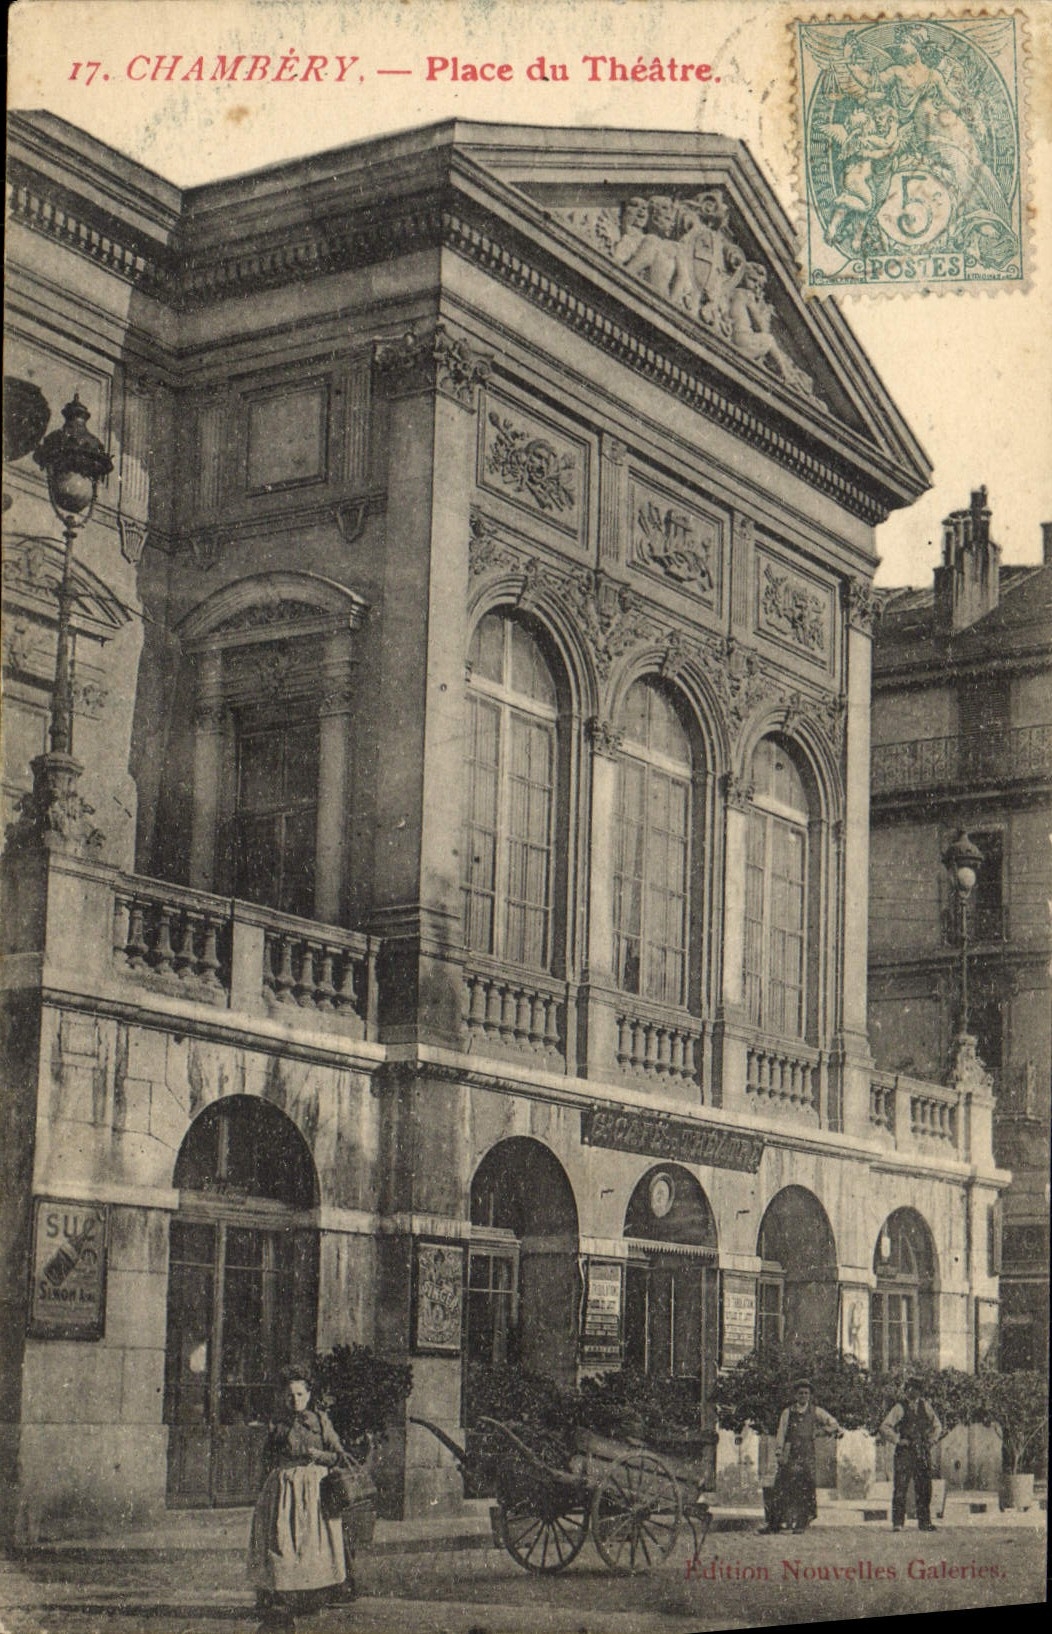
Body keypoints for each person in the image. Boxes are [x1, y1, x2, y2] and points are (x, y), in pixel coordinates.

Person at [247, 1368, 353, 1632]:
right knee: (282, 1541)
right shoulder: (278, 1422)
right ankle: (280, 1596)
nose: (295, 1400)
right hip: (282, 1488)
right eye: (290, 1395)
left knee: (311, 1544)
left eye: (300, 1394)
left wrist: (319, 1455)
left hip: (313, 1488)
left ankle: (310, 1598)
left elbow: (339, 1455)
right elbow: (266, 1458)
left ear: (309, 1394)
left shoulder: (320, 1420)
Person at [762, 1378, 844, 1534]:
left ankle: (801, 1523)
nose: (803, 1396)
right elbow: (781, 1433)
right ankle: (775, 1524)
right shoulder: (787, 1412)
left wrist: (821, 1431)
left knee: (804, 1488)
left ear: (810, 1395)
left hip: (807, 1455)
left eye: (806, 1393)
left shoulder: (816, 1411)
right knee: (782, 1488)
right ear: (795, 1395)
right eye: (800, 1393)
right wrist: (779, 1452)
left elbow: (834, 1425)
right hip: (790, 1453)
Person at [880, 1376, 943, 1532]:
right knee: (901, 1486)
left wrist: (931, 1441)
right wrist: (898, 1440)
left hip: (922, 1451)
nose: (911, 1391)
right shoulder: (899, 1407)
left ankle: (924, 1522)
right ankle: (898, 1522)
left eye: (915, 1388)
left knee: (924, 1487)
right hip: (905, 1452)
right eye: (909, 1388)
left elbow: (937, 1426)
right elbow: (885, 1426)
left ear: (920, 1391)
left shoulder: (926, 1406)